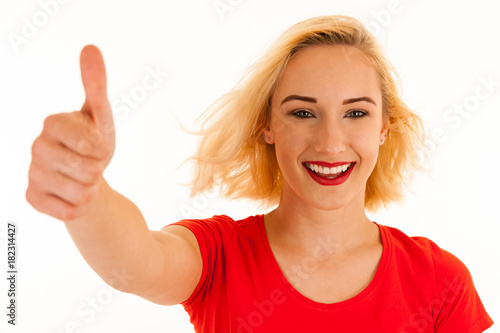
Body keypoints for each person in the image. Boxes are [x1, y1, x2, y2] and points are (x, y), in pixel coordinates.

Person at [26, 15, 493, 332]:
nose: (331, 143)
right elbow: (137, 263)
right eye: (303, 113)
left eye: (355, 114)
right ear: (267, 126)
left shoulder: (440, 281)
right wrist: (86, 192)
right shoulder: (218, 258)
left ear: (384, 128)